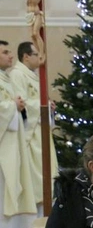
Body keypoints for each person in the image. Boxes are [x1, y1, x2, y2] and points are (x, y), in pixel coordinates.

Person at [10, 41, 58, 208]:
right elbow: (22, 104)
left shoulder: (32, 75)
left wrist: (49, 107)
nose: (40, 58)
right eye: (37, 55)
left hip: (40, 130)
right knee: (36, 177)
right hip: (31, 134)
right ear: (26, 56)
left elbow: (36, 101)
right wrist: (42, 106)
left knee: (47, 172)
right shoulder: (17, 75)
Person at [0, 39, 37, 228]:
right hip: (3, 144)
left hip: (12, 141)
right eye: (5, 52)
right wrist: (11, 105)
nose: (10, 56)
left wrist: (17, 106)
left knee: (13, 185)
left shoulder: (6, 79)